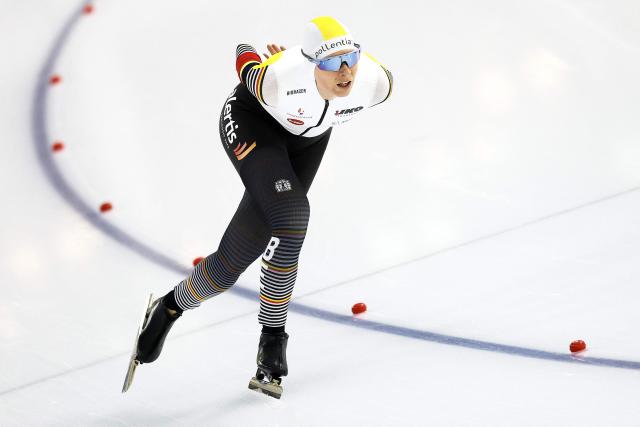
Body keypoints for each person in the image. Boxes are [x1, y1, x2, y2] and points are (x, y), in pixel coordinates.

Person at [124, 15, 393, 398]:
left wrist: (316, 68)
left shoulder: (375, 82)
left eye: (351, 57)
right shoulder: (278, 80)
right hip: (253, 123)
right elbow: (241, 54)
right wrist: (274, 67)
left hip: (306, 143)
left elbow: (355, 71)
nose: (345, 70)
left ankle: (169, 306)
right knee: (293, 217)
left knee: (229, 266)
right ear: (312, 63)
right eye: (332, 63)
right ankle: (272, 337)